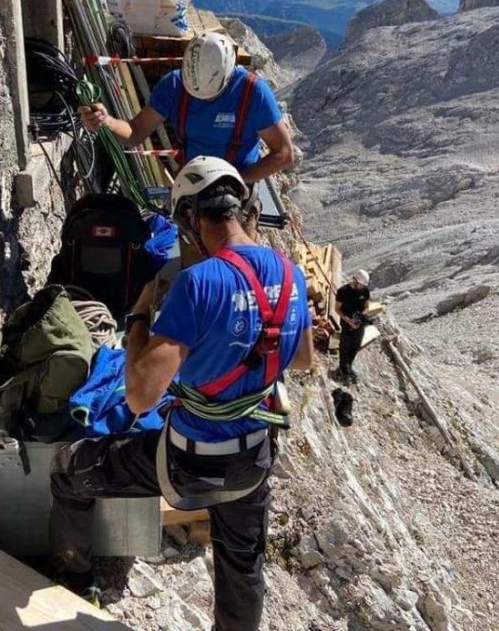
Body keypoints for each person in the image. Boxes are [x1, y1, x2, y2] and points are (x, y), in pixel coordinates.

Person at [50, 156, 313, 629]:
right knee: (242, 564)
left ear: (191, 218)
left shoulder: (197, 283)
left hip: (189, 461)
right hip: (253, 459)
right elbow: (302, 358)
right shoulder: (291, 273)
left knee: (70, 468)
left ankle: (77, 578)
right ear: (243, 204)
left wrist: (137, 320)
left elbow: (139, 398)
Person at [79, 31, 294, 184]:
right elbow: (135, 132)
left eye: (212, 96)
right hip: (193, 184)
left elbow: (283, 153)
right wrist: (106, 122)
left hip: (238, 188)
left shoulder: (253, 93)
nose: (204, 101)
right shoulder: (174, 86)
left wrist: (238, 179)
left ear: (228, 76)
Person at [334, 269, 371, 385]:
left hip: (359, 322)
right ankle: (343, 370)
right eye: (360, 284)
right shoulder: (343, 291)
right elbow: (337, 309)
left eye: (363, 285)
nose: (361, 287)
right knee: (345, 347)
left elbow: (366, 306)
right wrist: (348, 320)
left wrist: (362, 315)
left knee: (356, 345)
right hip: (346, 321)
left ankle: (349, 366)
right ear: (355, 280)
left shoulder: (365, 291)